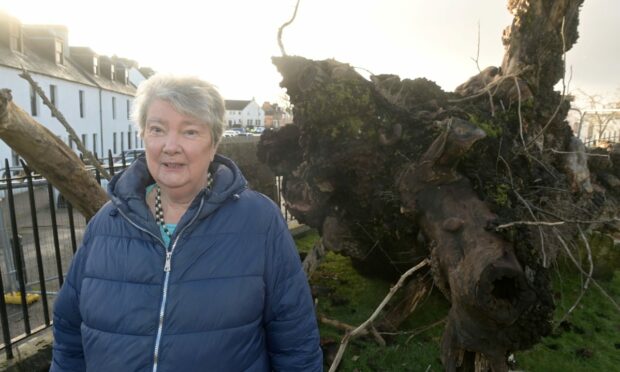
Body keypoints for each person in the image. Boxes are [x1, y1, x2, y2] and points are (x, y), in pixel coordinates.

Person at [50, 74, 323, 371]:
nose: (170, 145)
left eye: (190, 132)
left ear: (215, 142)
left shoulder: (259, 222)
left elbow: (296, 344)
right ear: (143, 135)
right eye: (157, 129)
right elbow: (68, 336)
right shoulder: (106, 224)